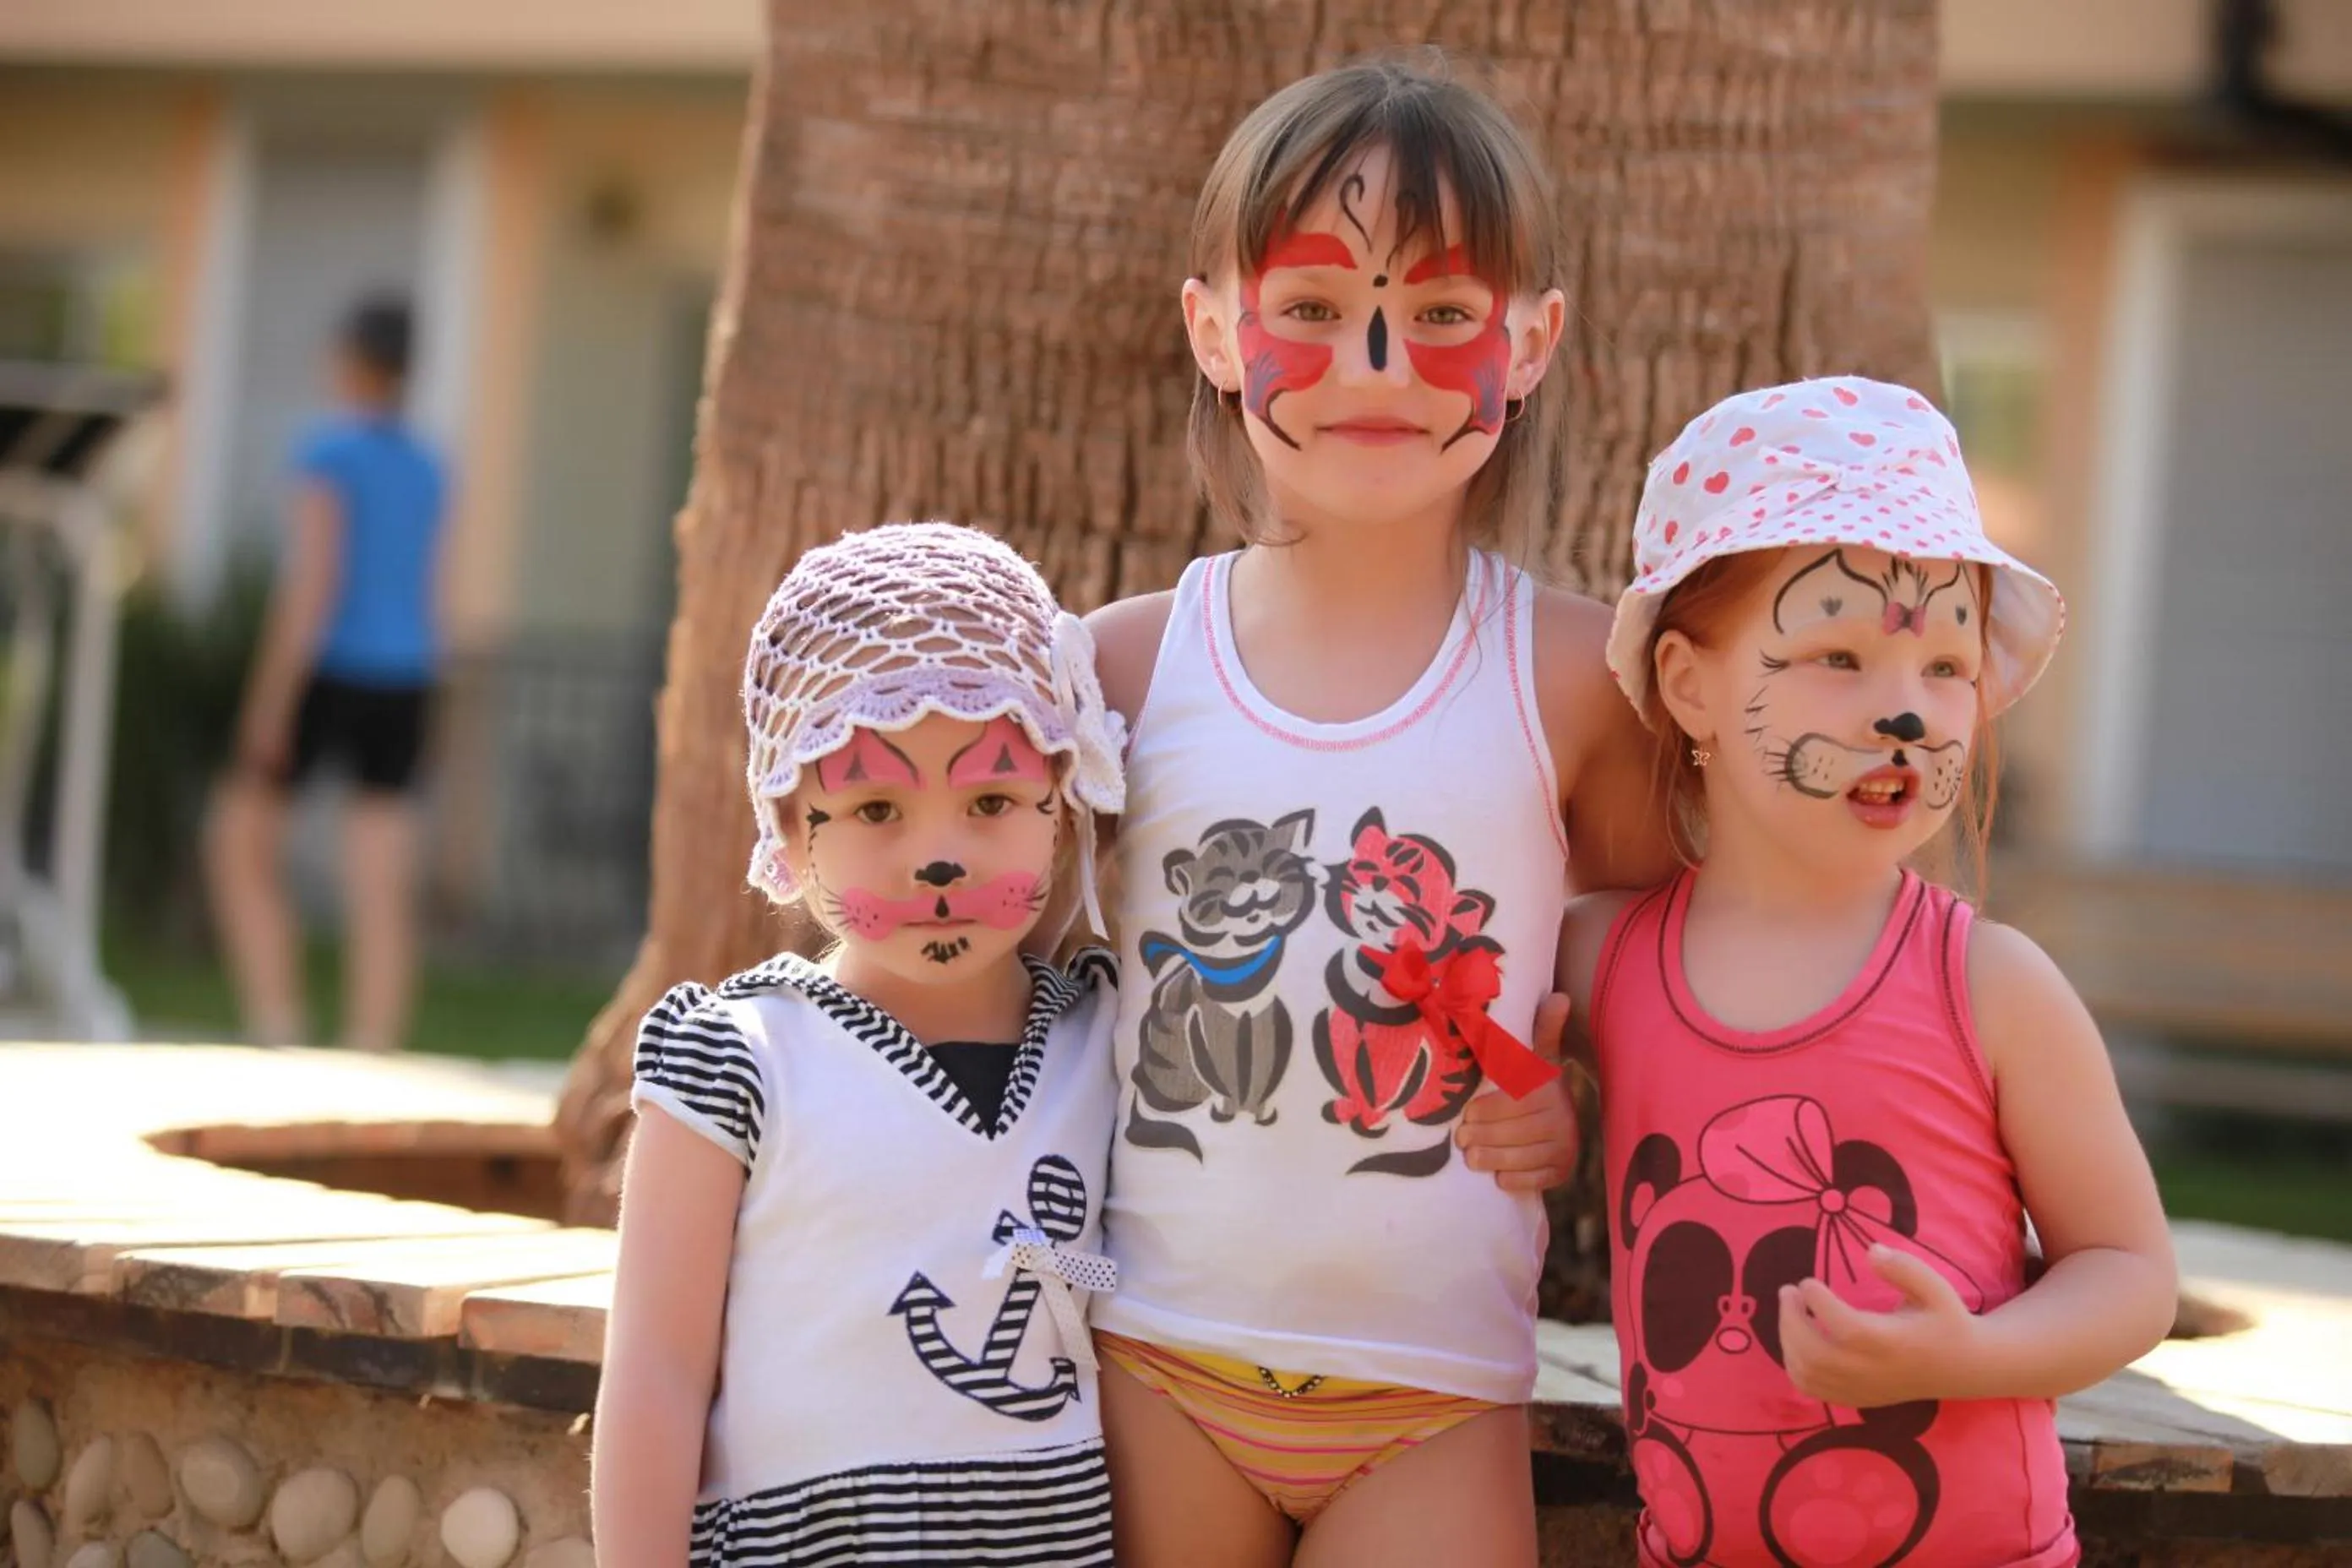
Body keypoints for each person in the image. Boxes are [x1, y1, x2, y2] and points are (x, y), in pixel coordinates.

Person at [1082, 57, 1674, 1565]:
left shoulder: (1574, 677)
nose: (1374, 362)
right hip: (1152, 1358)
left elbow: (1678, 943)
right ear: (1211, 329)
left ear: (1529, 344)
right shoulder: (1122, 669)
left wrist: (1568, 1071)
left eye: (1442, 314)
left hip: (1434, 1396)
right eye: (1309, 304)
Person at [1559, 376, 2177, 1565]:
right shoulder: (1601, 960)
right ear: (1689, 685)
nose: (1907, 713)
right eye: (1838, 655)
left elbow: (2130, 1272)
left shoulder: (1990, 985)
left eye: (1946, 667)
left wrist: (1972, 1355)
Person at [592, 522, 1131, 1566]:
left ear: (1062, 808)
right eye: (876, 806)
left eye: (991, 800)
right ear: (790, 831)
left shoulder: (1105, 1037)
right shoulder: (740, 1060)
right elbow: (657, 1369)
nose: (938, 856)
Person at [204, 293, 448, 1052]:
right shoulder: (429, 467)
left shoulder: (327, 454)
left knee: (238, 844)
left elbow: (313, 584)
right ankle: (374, 1043)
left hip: (330, 670)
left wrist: (268, 705)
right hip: (407, 677)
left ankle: (277, 1023)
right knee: (380, 875)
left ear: (348, 360)